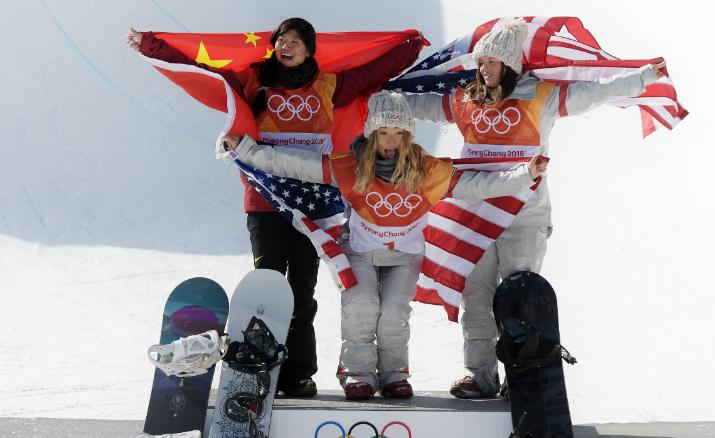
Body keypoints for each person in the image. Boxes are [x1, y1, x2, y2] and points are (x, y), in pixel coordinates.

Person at [127, 18, 424, 397]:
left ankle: (298, 373)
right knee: (267, 282)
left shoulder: (330, 84)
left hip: (311, 203)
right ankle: (259, 365)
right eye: (281, 39)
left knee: (302, 286)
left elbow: (371, 74)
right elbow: (205, 74)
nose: (287, 46)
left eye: (295, 41)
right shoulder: (254, 80)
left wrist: (409, 48)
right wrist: (156, 47)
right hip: (265, 199)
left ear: (309, 49)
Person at [221, 90, 548, 400]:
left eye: (398, 133)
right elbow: (295, 164)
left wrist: (524, 174)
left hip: (404, 256)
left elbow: (479, 185)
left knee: (393, 313)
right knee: (361, 306)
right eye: (383, 133)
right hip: (360, 252)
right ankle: (358, 373)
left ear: (408, 136)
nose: (390, 141)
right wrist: (247, 150)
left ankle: (393, 375)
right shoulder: (351, 165)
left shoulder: (426, 170)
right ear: (371, 134)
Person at [405, 18, 666, 399]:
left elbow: (593, 94)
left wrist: (642, 77)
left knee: (517, 297)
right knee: (476, 298)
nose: (484, 69)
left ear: (510, 64)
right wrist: (383, 97)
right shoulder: (467, 98)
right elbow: (423, 106)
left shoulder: (539, 96)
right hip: (472, 212)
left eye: (492, 63)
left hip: (523, 215)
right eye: (481, 62)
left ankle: (521, 375)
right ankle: (480, 377)